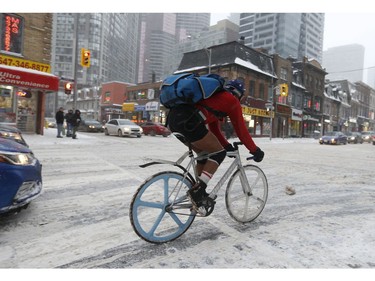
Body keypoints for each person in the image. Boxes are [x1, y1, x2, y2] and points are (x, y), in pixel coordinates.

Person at [167, 78, 264, 215]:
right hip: (189, 122)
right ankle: (198, 191)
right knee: (218, 153)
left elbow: (214, 130)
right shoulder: (232, 101)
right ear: (239, 95)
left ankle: (197, 190)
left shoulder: (215, 97)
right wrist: (255, 150)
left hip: (173, 120)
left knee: (204, 154)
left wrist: (226, 145)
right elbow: (241, 130)